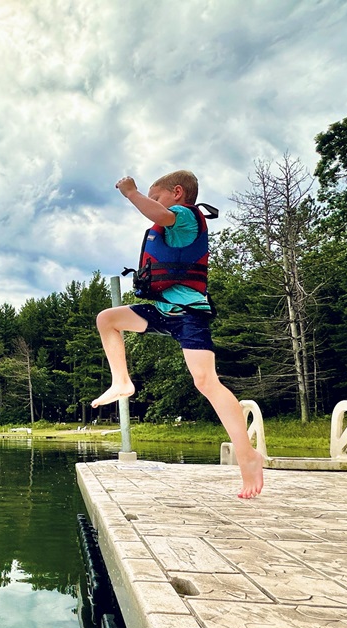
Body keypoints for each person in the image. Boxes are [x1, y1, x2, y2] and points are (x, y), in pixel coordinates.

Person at [91, 171, 264, 499]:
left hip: (188, 316)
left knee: (206, 382)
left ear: (178, 193)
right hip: (161, 311)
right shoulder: (172, 219)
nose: (153, 204)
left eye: (157, 197)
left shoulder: (185, 217)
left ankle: (247, 455)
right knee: (108, 319)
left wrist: (131, 192)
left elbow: (159, 214)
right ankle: (121, 381)